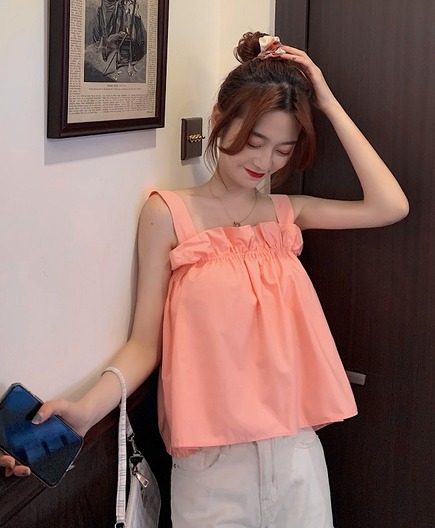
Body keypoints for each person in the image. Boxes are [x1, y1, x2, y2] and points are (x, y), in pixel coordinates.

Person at [1, 32, 409, 527]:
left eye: (283, 150)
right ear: (219, 118)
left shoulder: (288, 214)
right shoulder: (168, 214)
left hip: (296, 452)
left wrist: (325, 99)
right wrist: (87, 410)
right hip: (211, 465)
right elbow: (144, 344)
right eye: (253, 142)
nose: (264, 163)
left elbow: (391, 205)